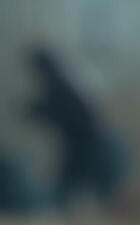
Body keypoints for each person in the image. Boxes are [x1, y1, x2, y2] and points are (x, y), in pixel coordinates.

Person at [21, 46, 121, 212]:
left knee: (70, 185)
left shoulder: (60, 82)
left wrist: (38, 111)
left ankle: (64, 215)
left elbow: (66, 111)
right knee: (76, 185)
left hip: (87, 144)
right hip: (85, 143)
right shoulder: (68, 80)